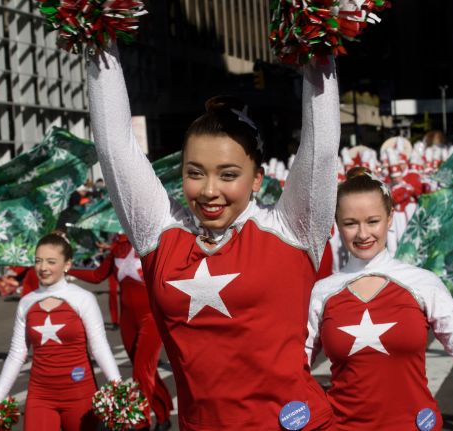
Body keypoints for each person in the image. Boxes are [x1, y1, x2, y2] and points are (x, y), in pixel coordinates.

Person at [87, 39, 338, 430]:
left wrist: (317, 45)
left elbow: (321, 151)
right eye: (195, 172)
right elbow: (114, 148)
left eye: (228, 174)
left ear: (257, 178)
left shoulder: (292, 228)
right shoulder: (159, 235)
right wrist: (99, 36)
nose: (208, 190)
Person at [306, 168, 453, 431]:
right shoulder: (322, 292)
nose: (363, 234)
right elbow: (295, 364)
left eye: (372, 221)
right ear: (337, 223)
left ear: (390, 218)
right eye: (351, 223)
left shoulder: (423, 283)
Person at [0, 231, 121, 431]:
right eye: (38, 261)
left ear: (67, 265)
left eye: (51, 262)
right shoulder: (27, 302)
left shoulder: (83, 298)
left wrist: (118, 388)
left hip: (79, 392)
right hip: (40, 395)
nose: (43, 268)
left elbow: (99, 347)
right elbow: (17, 353)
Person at [69, 233, 173, 430]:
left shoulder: (151, 243)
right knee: (144, 370)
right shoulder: (117, 248)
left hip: (151, 317)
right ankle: (163, 413)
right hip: (128, 320)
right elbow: (97, 275)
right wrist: (67, 270)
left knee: (142, 371)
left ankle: (140, 422)